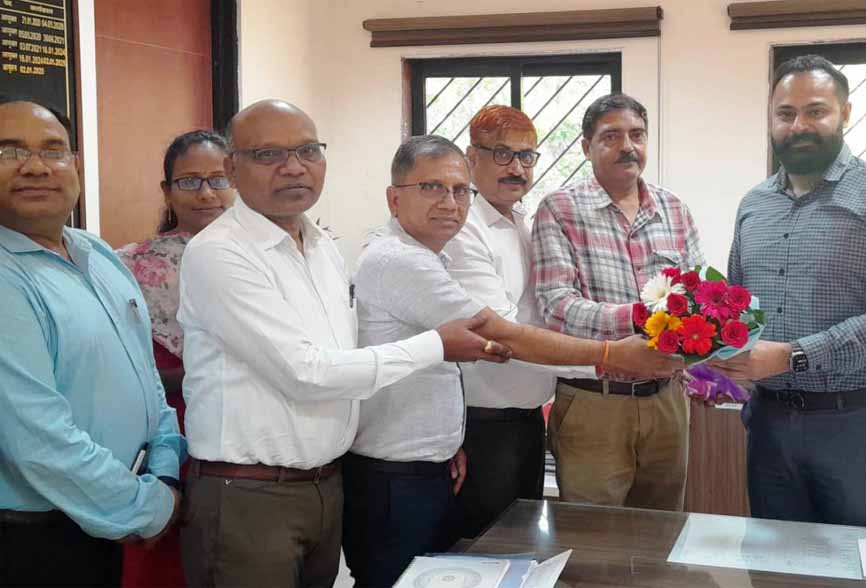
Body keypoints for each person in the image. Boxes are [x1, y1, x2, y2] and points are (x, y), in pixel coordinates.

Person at [177, 100, 510, 588]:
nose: (294, 167)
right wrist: (436, 346)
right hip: (249, 493)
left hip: (327, 483)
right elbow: (307, 374)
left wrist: (439, 442)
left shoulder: (322, 247)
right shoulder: (219, 253)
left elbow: (351, 358)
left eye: (308, 151)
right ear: (232, 168)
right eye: (269, 154)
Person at [344, 134, 681, 588]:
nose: (449, 203)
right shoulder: (401, 261)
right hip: (394, 475)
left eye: (458, 190)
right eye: (431, 188)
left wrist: (447, 444)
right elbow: (500, 335)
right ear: (394, 198)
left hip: (435, 459)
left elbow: (439, 366)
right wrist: (609, 355)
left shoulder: (460, 245)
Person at [709, 54, 866, 529]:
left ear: (845, 113)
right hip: (769, 427)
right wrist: (715, 368)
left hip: (857, 427)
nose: (798, 126)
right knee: (774, 560)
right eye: (785, 113)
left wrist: (792, 356)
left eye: (815, 111)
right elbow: (736, 307)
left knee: (862, 562)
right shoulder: (754, 205)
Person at [0, 96, 184, 587]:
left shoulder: (97, 253)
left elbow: (148, 381)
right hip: (33, 541)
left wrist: (165, 469)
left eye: (53, 150)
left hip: (106, 522)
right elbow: (37, 442)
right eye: (9, 151)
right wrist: (148, 507)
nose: (35, 167)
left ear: (75, 164)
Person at [531, 93, 705, 510]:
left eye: (637, 135)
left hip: (667, 401)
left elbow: (698, 298)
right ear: (586, 146)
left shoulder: (674, 210)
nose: (627, 146)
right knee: (594, 535)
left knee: (662, 528)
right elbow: (556, 307)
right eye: (611, 136)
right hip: (595, 401)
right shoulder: (560, 209)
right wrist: (644, 318)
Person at [444, 105, 590, 538]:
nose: (517, 168)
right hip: (483, 424)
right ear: (472, 158)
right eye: (502, 154)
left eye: (527, 156)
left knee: (524, 546)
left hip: (527, 419)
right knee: (487, 550)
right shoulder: (464, 227)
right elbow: (501, 335)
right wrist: (604, 361)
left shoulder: (526, 223)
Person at [117, 130, 235, 588]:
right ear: (167, 191)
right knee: (164, 556)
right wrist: (194, 375)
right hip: (166, 426)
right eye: (189, 181)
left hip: (244, 430)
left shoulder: (267, 260)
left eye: (219, 179)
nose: (206, 193)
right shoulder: (127, 266)